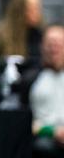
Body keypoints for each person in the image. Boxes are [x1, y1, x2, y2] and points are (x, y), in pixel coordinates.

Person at [30, 26, 64, 158]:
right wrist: (53, 132)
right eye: (50, 44)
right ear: (42, 47)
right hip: (44, 138)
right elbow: (23, 120)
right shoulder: (31, 79)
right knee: (42, 147)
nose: (53, 49)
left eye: (58, 44)